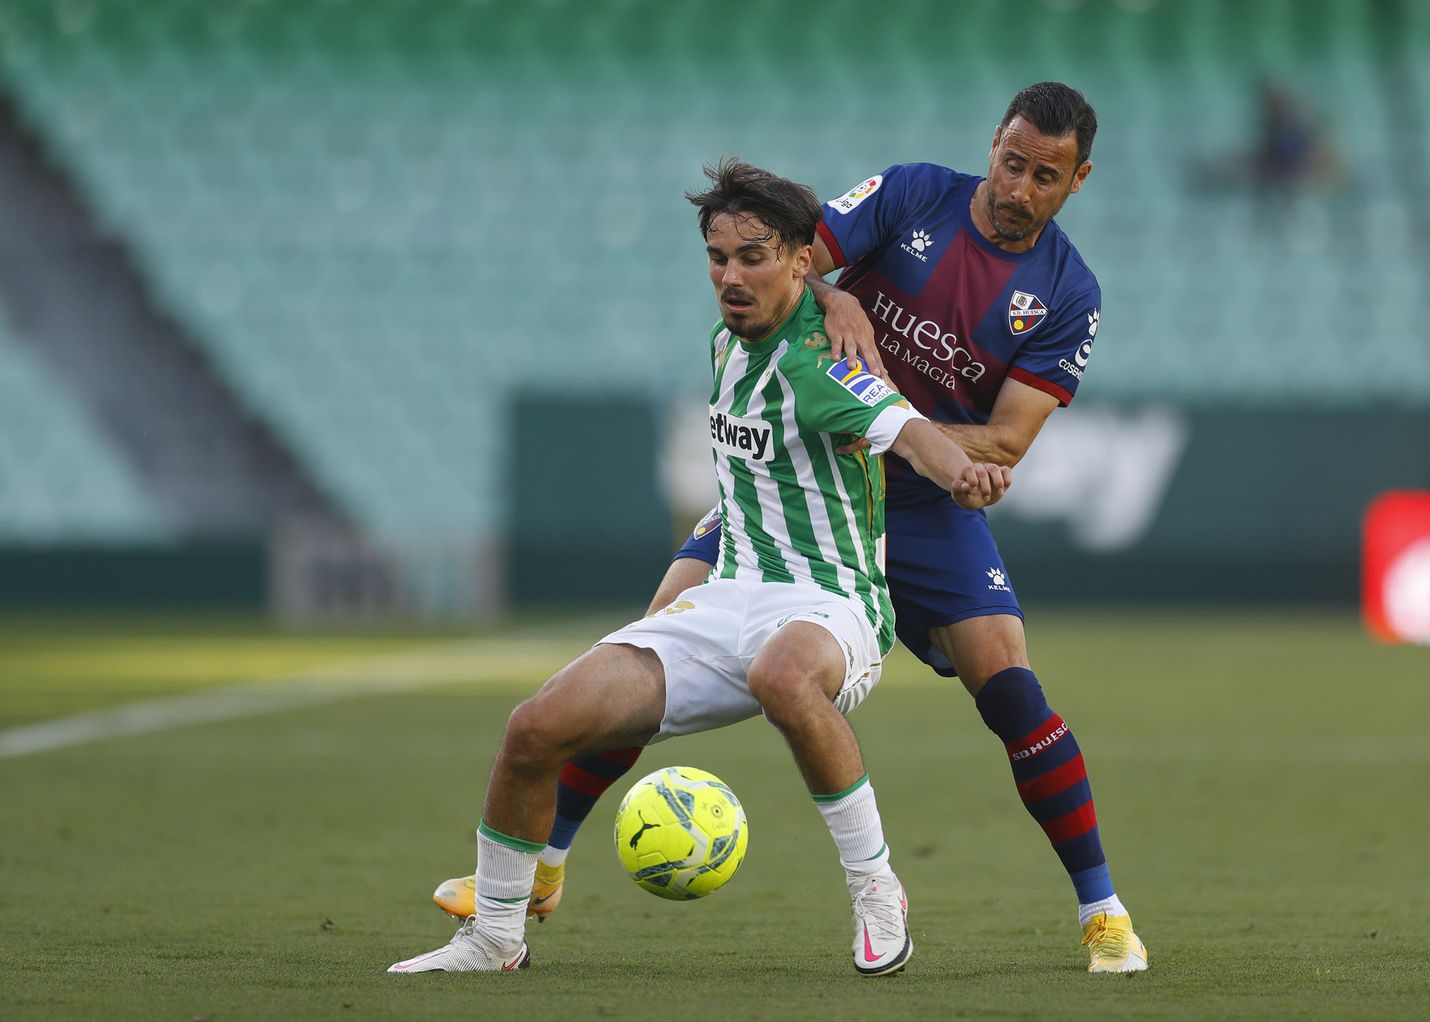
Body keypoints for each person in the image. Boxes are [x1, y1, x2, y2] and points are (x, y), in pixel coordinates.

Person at [434, 81, 1148, 974]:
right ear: (994, 145)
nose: (1018, 188)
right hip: (791, 485)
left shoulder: (1068, 292)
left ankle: (1102, 911)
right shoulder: (914, 192)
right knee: (654, 638)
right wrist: (839, 306)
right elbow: (794, 250)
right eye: (1011, 162)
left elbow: (1006, 437)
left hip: (917, 502)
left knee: (1009, 689)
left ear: (1077, 181)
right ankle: (542, 869)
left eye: (1045, 175)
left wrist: (868, 414)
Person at [390, 159, 1012, 976]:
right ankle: (496, 937)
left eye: (753, 256)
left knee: (785, 678)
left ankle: (876, 889)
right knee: (534, 728)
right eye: (718, 256)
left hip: (835, 607)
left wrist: (960, 471)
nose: (730, 275)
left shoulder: (822, 365)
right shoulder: (727, 341)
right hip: (731, 598)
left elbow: (907, 427)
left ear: (800, 258)